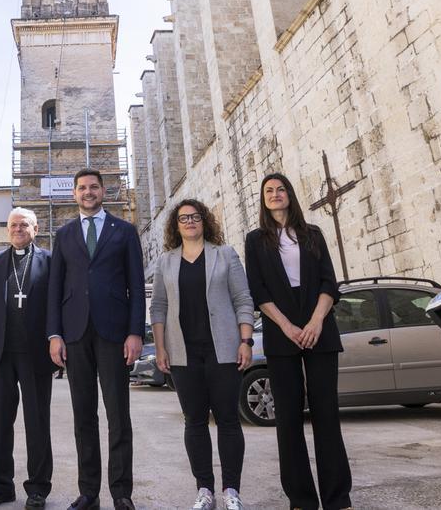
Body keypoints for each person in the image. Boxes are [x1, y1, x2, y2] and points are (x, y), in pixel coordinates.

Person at [244, 173, 353, 510]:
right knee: (288, 418)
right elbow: (258, 291)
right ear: (263, 200)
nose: (275, 195)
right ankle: (301, 500)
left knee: (326, 415)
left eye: (280, 189)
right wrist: (288, 327)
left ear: (290, 194)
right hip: (281, 330)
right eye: (268, 191)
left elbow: (328, 282)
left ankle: (338, 498)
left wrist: (316, 322)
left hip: (319, 327)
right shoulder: (255, 240)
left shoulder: (313, 234)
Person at [47, 169, 145, 510]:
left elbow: (136, 285)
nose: (88, 192)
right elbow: (55, 288)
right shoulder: (64, 234)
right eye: (82, 188)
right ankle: (89, 491)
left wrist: (135, 331)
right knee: (83, 415)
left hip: (115, 334)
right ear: (74, 194)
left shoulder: (125, 231)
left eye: (93, 187)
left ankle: (121, 492)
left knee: (118, 414)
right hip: (75, 334)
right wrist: (55, 334)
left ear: (103, 191)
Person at [150, 199, 254, 510]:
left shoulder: (225, 254)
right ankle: (204, 490)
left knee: (228, 420)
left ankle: (231, 491)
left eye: (195, 217)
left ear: (204, 221)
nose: (190, 222)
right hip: (184, 353)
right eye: (184, 218)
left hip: (223, 349)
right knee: (194, 421)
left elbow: (243, 298)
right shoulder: (166, 262)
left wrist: (245, 340)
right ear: (176, 225)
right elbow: (158, 308)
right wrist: (160, 347)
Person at [0, 208, 55, 509]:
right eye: (13, 225)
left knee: (37, 423)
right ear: (6, 230)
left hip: (36, 355)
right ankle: (1, 486)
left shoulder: (49, 260)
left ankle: (38, 488)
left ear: (36, 229)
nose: (17, 229)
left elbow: (56, 306)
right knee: (1, 423)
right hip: (1, 353)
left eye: (24, 225)